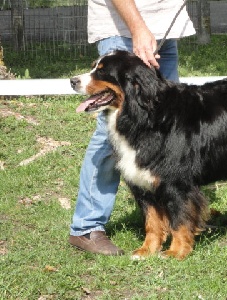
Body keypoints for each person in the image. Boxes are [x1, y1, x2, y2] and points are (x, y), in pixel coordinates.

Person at [68, 0, 196, 255]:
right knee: (111, 137)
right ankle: (87, 226)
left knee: (167, 131)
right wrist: (138, 29)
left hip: (163, 28)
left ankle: (176, 220)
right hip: (126, 30)